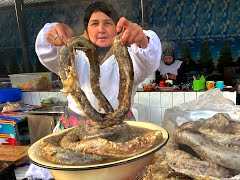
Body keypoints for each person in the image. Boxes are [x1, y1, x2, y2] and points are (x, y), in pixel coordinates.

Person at [25, 1, 162, 179]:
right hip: (74, 135)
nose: (101, 29)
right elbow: (48, 53)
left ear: (117, 29)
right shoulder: (74, 56)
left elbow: (149, 60)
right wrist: (54, 33)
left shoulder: (132, 56)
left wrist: (143, 40)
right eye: (94, 24)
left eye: (108, 23)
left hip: (121, 136)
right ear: (86, 30)